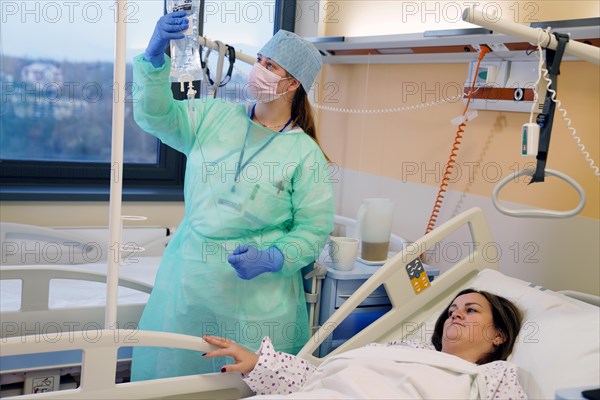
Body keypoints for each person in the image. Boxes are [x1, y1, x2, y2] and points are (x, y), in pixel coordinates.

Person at [130, 11, 334, 380]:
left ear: (292, 85)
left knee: (246, 383)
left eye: (271, 65)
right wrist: (155, 57)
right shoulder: (212, 117)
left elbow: (314, 228)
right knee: (175, 376)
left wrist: (274, 257)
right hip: (191, 280)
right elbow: (155, 115)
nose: (259, 69)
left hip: (258, 298)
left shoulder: (305, 154)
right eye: (260, 60)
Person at [203, 289, 527, 399]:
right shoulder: (407, 350)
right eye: (452, 310)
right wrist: (260, 363)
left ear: (498, 335)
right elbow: (320, 380)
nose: (455, 315)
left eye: (470, 311)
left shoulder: (493, 375)